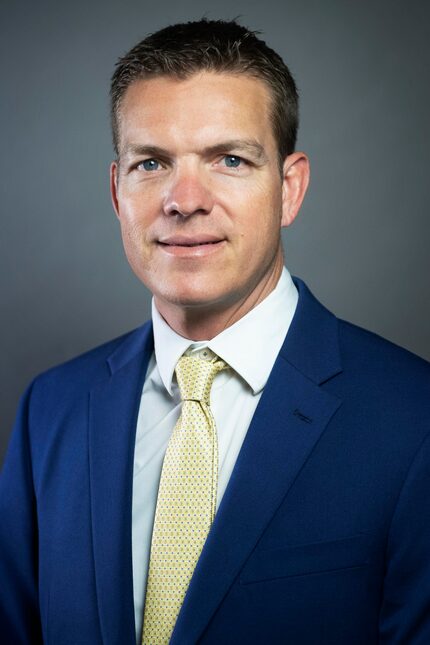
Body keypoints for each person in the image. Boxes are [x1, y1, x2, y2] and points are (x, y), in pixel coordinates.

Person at [1, 18, 430, 645]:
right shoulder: (53, 409)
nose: (184, 199)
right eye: (152, 162)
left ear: (289, 188)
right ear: (118, 191)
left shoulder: (413, 417)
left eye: (229, 159)